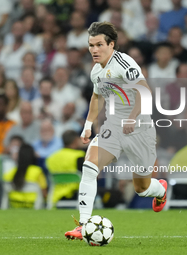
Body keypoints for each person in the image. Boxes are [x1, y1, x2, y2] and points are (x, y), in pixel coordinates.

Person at [65, 22, 167, 240]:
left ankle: (160, 190)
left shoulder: (124, 63)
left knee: (142, 188)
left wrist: (132, 118)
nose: (94, 50)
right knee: (90, 167)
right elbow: (96, 97)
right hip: (113, 128)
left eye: (99, 44)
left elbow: (145, 92)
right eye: (91, 45)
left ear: (111, 45)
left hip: (140, 129)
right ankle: (83, 225)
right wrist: (87, 124)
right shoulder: (96, 71)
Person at [3, 143, 47, 208]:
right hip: (33, 207)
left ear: (19, 156)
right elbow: (44, 194)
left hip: (14, 207)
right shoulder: (37, 171)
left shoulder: (9, 173)